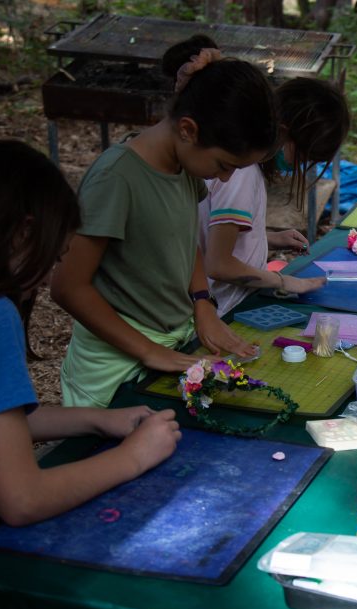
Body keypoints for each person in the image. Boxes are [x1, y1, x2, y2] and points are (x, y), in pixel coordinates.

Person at [0, 140, 182, 526]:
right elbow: (22, 499)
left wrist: (96, 419)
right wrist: (133, 456)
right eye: (53, 257)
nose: (48, 280)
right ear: (23, 234)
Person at [52, 35, 277, 408]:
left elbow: (185, 240)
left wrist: (202, 304)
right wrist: (148, 351)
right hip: (112, 368)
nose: (223, 180)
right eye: (223, 165)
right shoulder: (117, 178)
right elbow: (67, 287)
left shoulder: (183, 165)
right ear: (188, 129)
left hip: (171, 342)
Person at [198, 77, 351, 316]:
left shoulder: (244, 168)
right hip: (222, 309)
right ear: (282, 132)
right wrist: (283, 281)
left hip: (229, 302)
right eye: (303, 153)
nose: (301, 163)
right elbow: (218, 264)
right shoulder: (241, 175)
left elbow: (215, 236)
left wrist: (266, 237)